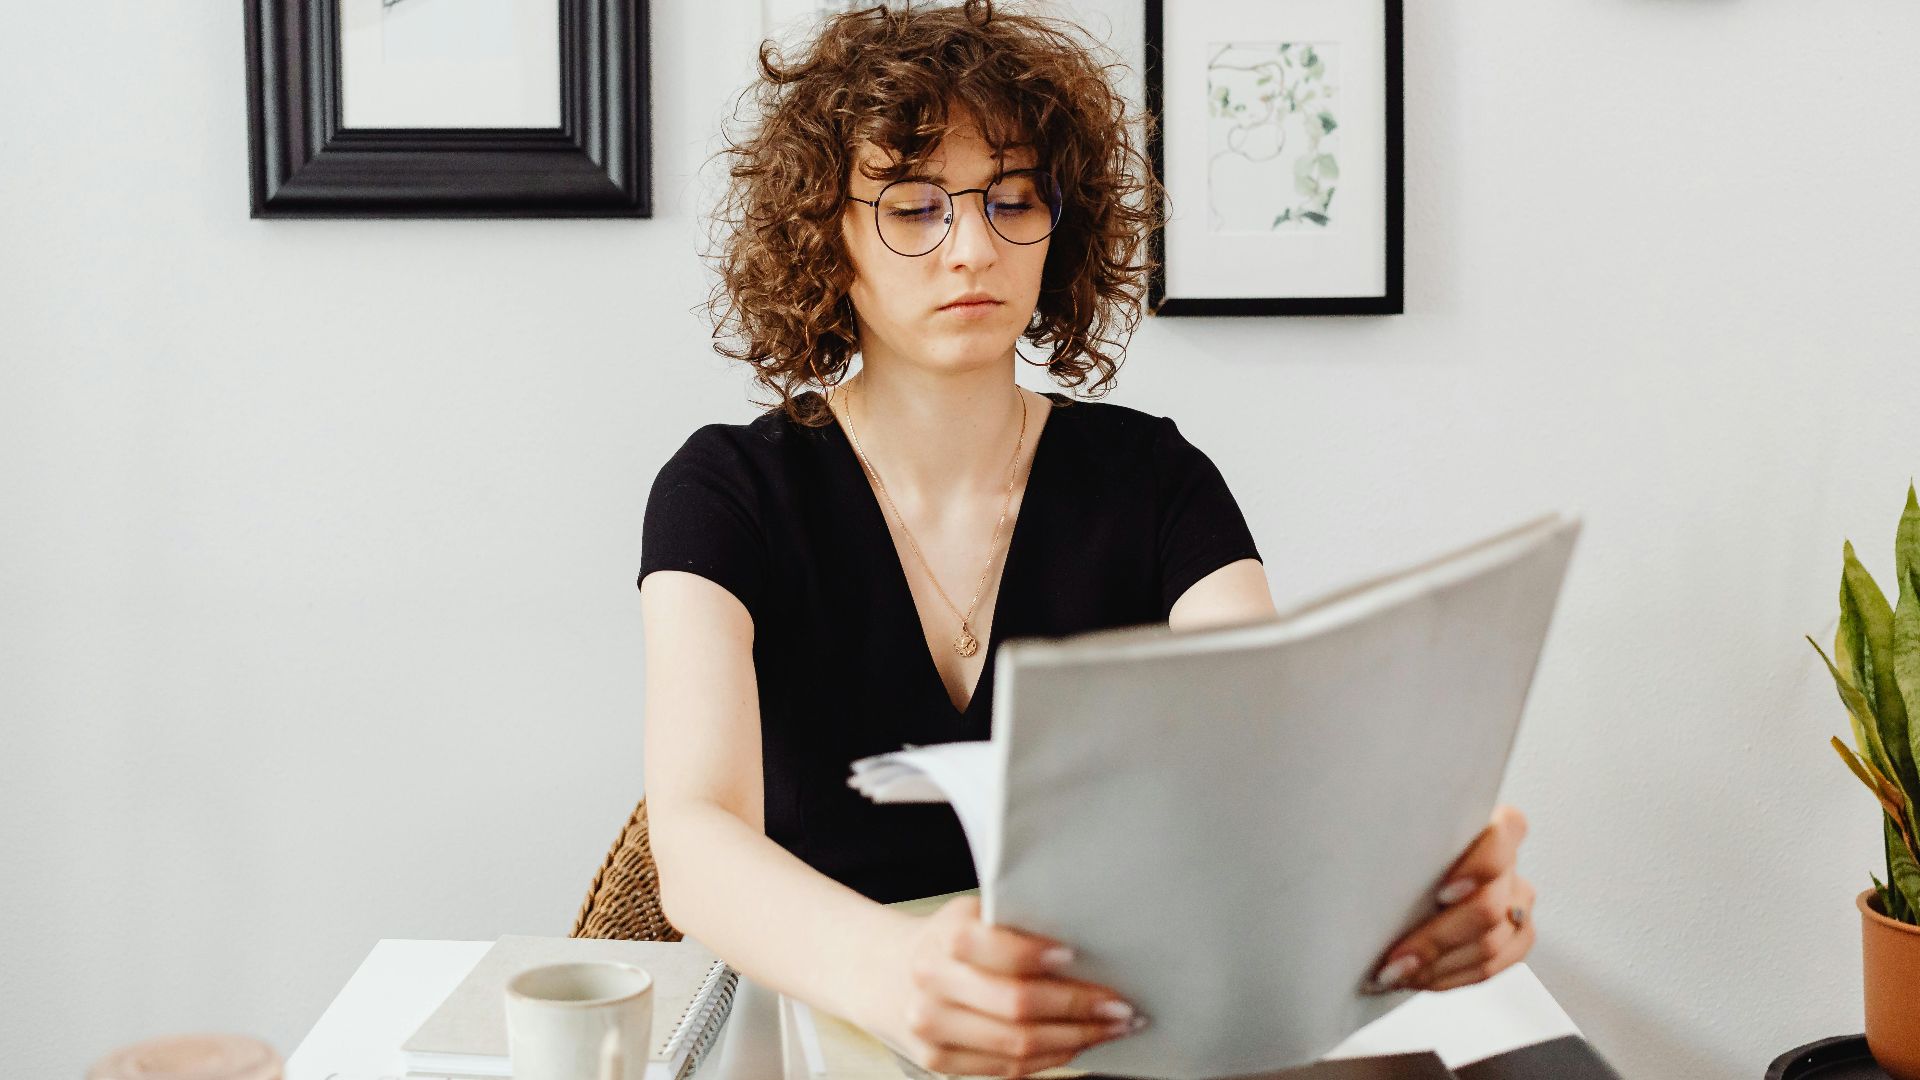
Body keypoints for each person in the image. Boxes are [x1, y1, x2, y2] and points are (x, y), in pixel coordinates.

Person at [639, 3, 1538, 1076]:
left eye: (1012, 199)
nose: (972, 246)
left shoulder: (1153, 478)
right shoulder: (726, 491)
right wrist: (901, 976)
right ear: (824, 230)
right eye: (913, 207)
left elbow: (1275, 769)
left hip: (1123, 1022)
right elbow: (693, 844)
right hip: (833, 1015)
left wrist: (1412, 888)